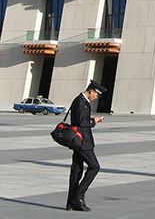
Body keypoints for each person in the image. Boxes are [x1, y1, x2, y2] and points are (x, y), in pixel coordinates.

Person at [66, 80, 106, 212]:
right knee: (94, 166)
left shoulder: (82, 101)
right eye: (96, 94)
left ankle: (71, 202)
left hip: (80, 141)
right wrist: (94, 120)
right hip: (82, 142)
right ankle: (78, 197)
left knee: (77, 170)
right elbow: (81, 122)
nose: (96, 97)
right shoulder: (80, 101)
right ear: (91, 91)